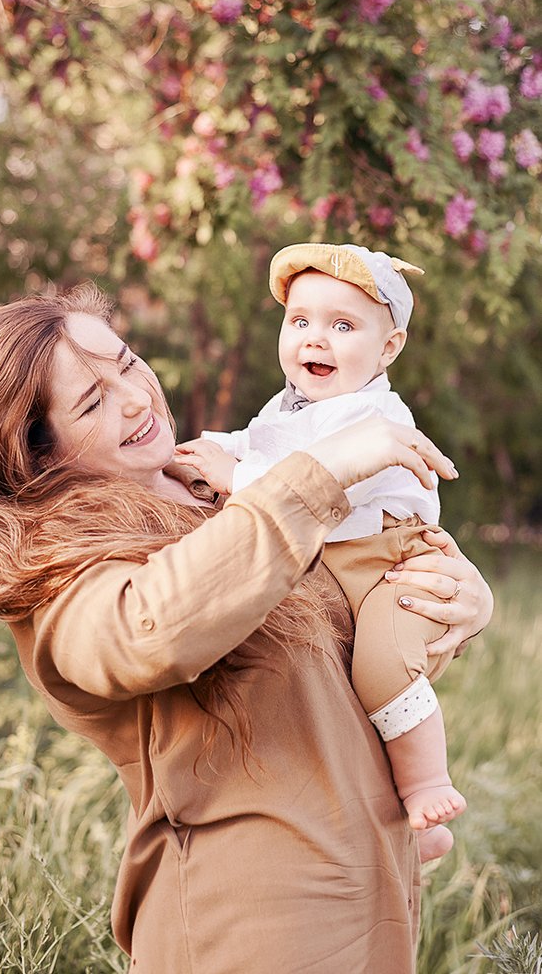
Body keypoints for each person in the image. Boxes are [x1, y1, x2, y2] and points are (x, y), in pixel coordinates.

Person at [0, 283, 492, 974]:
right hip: (249, 924)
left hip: (366, 900)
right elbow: (149, 632)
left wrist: (456, 600)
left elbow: (334, 675)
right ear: (34, 455)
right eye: (92, 402)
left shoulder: (218, 485)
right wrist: (325, 468)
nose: (134, 399)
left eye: (126, 363)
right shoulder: (65, 572)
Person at [175, 242, 469, 862]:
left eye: (343, 325)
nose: (316, 339)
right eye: (300, 320)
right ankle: (403, 830)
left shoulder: (373, 412)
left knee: (381, 667)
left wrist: (236, 476)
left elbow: (327, 481)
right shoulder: (290, 405)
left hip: (388, 564)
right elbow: (260, 445)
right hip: (341, 557)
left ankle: (427, 783)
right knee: (345, 701)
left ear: (388, 348)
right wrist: (208, 451)